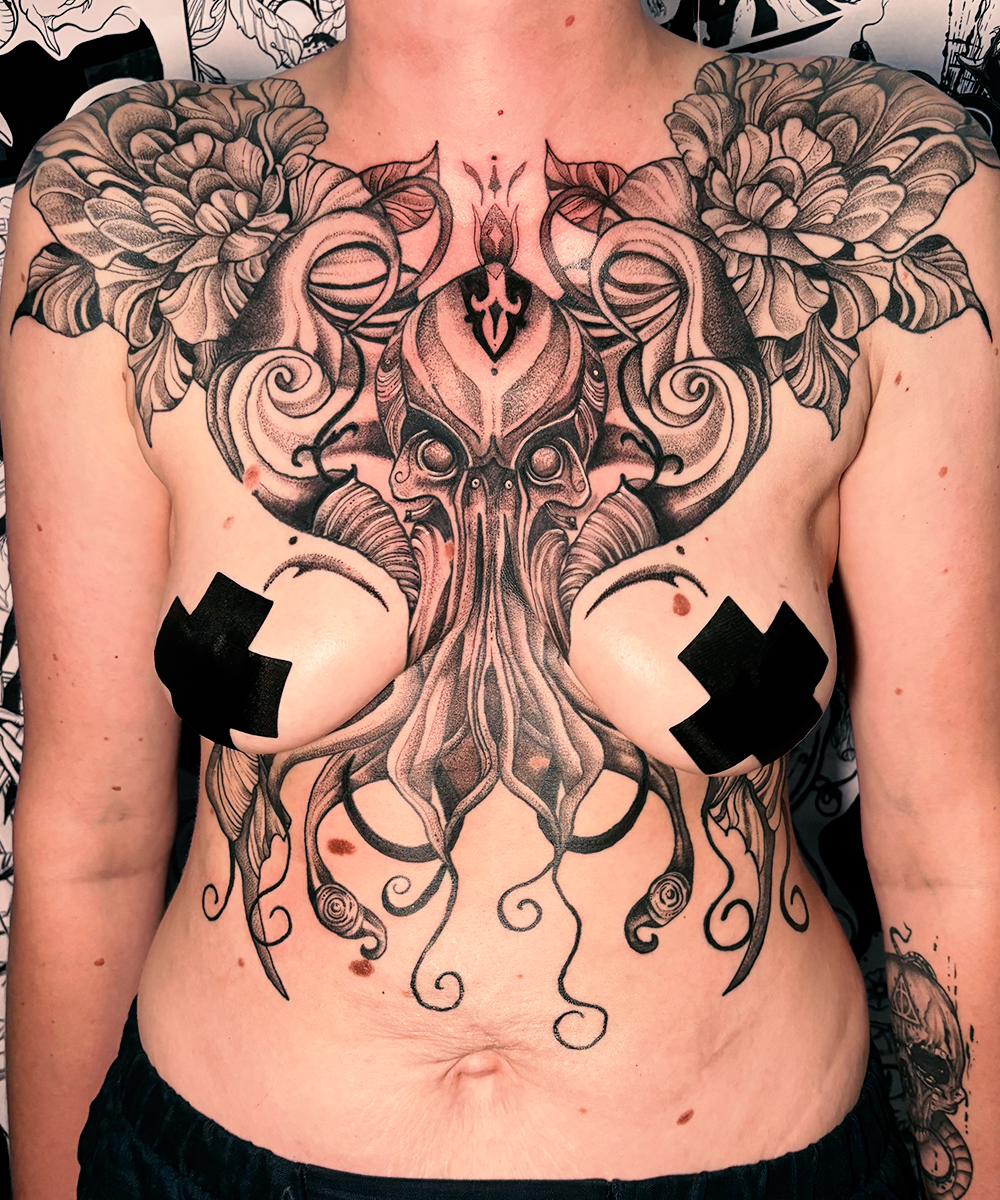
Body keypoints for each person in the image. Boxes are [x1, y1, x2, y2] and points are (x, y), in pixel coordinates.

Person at [1, 2, 998, 1196]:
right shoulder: (119, 206)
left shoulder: (884, 193)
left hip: (755, 1160)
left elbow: (947, 849)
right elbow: (90, 842)